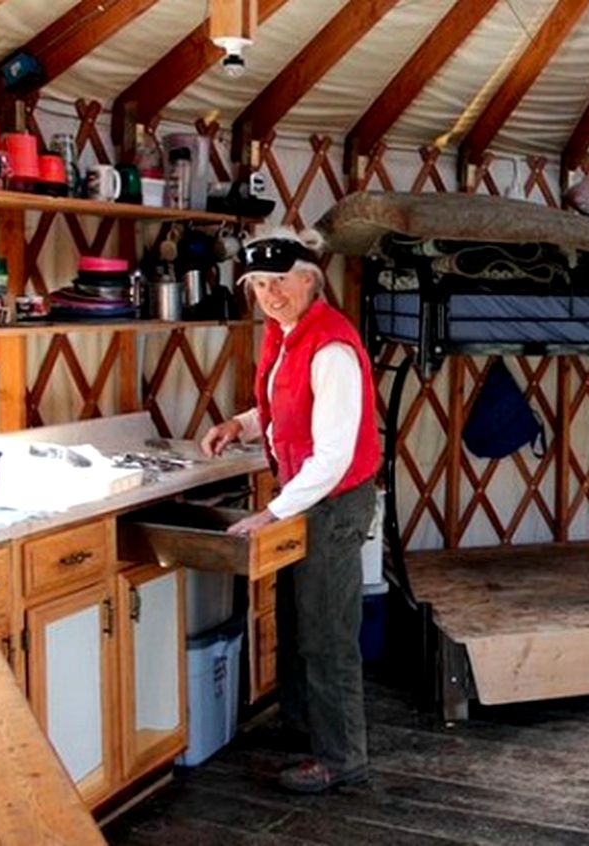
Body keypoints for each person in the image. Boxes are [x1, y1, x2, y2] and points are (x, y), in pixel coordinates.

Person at [201, 227, 381, 794]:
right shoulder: (286, 333)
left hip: (331, 501)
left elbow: (332, 456)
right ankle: (306, 730)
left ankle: (342, 758)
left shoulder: (330, 346)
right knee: (297, 620)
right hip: (306, 498)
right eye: (258, 284)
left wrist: (272, 512)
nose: (270, 294)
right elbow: (281, 403)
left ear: (310, 279)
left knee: (326, 634)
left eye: (281, 281)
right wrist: (241, 424)